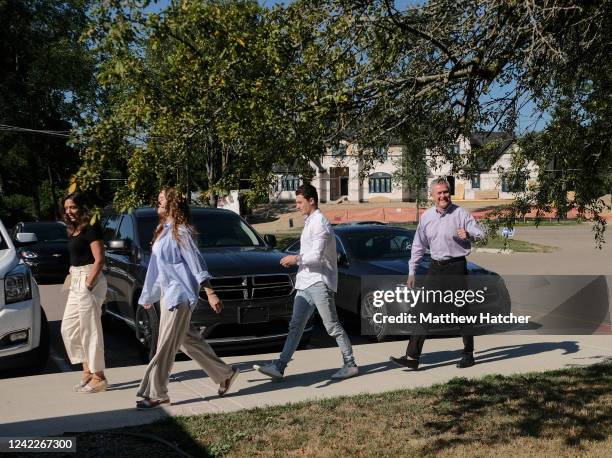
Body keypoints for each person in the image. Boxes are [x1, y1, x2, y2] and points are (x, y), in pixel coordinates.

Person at [136, 187, 239, 410]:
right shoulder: (163, 230)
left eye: (162, 199)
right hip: (167, 294)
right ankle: (225, 374)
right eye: (158, 198)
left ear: (173, 204)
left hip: (179, 296)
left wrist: (210, 292)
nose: (158, 202)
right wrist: (149, 294)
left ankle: (157, 393)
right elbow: (157, 268)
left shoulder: (181, 232)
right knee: (187, 340)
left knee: (164, 345)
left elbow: (196, 263)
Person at [254, 184, 358, 381]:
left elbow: (317, 256)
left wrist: (295, 259)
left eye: (300, 202)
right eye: (296, 202)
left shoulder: (320, 223)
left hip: (319, 281)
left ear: (312, 201)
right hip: (305, 283)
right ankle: (279, 367)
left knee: (332, 326)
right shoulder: (310, 221)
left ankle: (350, 364)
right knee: (296, 325)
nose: (297, 205)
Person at [390, 177, 485, 370]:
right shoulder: (426, 217)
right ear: (432, 196)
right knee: (424, 312)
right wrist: (412, 271)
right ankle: (412, 357)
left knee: (462, 312)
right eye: (439, 193)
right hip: (435, 268)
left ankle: (468, 354)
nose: (443, 196)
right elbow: (417, 246)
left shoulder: (461, 214)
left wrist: (469, 234)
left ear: (450, 193)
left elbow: (482, 234)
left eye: (446, 192)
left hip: (456, 267)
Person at [61, 192, 108, 393]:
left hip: (90, 279)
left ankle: (99, 377)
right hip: (76, 280)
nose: (69, 211)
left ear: (82, 207)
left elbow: (99, 259)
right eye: (66, 208)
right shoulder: (72, 229)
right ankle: (87, 372)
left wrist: (88, 284)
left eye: (72, 207)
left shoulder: (91, 227)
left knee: (90, 329)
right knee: (69, 328)